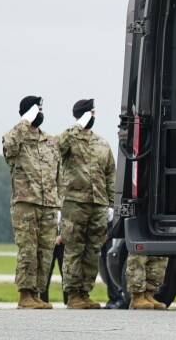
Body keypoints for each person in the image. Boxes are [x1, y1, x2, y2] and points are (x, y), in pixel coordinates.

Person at [2, 96, 61, 309]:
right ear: (28, 112)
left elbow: (58, 174)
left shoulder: (51, 141)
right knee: (28, 249)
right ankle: (24, 294)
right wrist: (24, 122)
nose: (41, 113)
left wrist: (59, 203)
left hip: (49, 204)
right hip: (25, 202)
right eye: (37, 109)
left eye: (42, 109)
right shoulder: (15, 137)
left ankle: (37, 293)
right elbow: (9, 149)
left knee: (45, 250)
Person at [57, 98, 115, 309]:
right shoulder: (69, 139)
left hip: (98, 204)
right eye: (89, 112)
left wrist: (111, 205)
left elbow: (110, 174)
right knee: (74, 249)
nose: (93, 116)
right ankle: (73, 294)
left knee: (93, 250)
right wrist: (76, 126)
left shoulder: (102, 143)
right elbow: (56, 147)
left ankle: (85, 292)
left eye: (93, 112)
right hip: (75, 203)